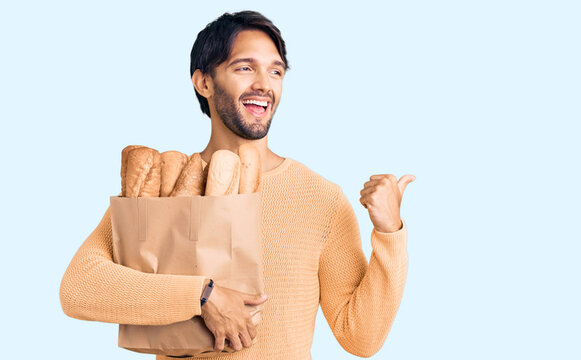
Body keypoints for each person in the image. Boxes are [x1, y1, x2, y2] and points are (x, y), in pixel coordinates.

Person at [59, 10, 414, 359]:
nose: (264, 83)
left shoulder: (320, 197)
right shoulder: (164, 188)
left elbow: (360, 338)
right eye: (245, 68)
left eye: (275, 71)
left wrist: (390, 233)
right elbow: (78, 288)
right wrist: (201, 296)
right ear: (204, 82)